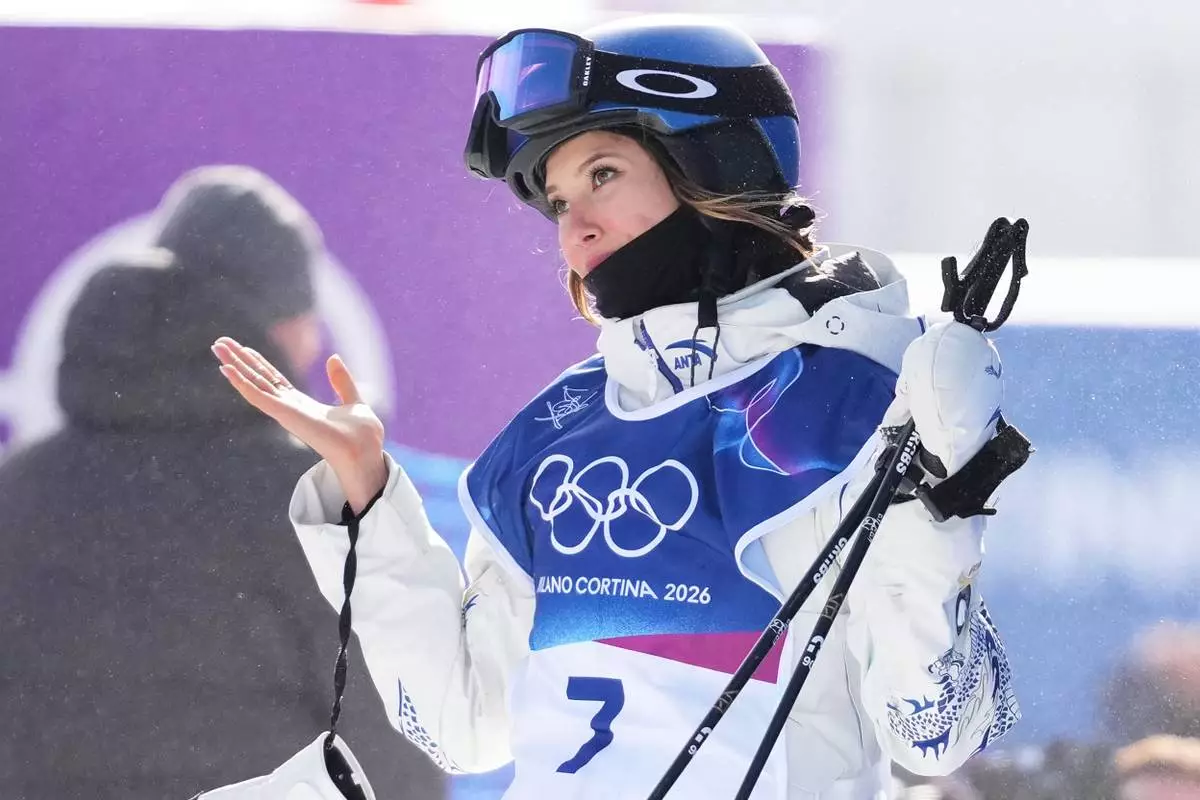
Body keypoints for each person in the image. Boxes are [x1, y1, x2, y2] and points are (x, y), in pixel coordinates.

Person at [212, 16, 1026, 800]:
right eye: (559, 202)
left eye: (601, 174)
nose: (578, 229)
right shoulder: (556, 431)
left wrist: (943, 499)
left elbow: (935, 732)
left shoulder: (853, 403)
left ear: (716, 164)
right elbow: (462, 727)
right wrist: (367, 494)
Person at [0, 165, 444, 799]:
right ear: (274, 324)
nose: (315, 341)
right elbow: (388, 740)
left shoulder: (17, 493)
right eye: (304, 316)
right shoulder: (307, 497)